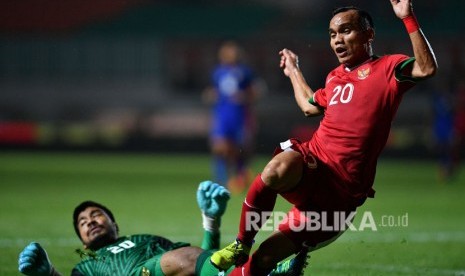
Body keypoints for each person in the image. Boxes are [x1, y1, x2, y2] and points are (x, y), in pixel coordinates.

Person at [211, 0, 437, 275]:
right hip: (314, 163)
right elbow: (309, 106)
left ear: (369, 35)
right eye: (332, 34)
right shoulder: (335, 77)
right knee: (275, 169)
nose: (337, 40)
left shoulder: (388, 68)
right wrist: (293, 69)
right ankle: (241, 243)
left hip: (339, 195)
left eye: (346, 31)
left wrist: (408, 17)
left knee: (264, 260)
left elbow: (426, 69)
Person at [18, 181, 306, 276]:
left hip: (173, 268)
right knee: (180, 257)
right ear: (81, 242)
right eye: (83, 223)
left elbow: (202, 259)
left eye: (96, 215)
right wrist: (49, 273)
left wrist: (210, 220)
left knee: (186, 258)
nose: (90, 221)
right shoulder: (88, 265)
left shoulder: (146, 239)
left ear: (115, 225)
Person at [203, 40, 259, 194]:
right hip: (222, 114)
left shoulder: (245, 72)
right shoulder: (217, 72)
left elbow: (255, 91)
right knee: (219, 147)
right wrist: (210, 95)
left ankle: (240, 177)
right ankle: (220, 179)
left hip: (239, 115)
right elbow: (214, 90)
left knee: (238, 148)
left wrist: (245, 97)